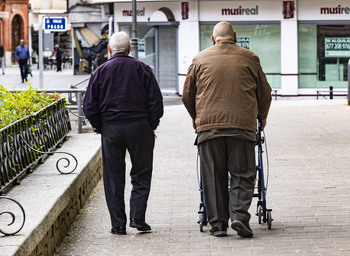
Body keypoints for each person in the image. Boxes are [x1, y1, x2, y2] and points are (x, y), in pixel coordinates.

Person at [182, 21, 272, 238]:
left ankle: (218, 225)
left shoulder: (199, 59)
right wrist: (262, 117)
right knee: (243, 173)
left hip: (209, 128)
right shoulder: (250, 58)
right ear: (235, 36)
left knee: (213, 175)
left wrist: (197, 118)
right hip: (242, 126)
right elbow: (264, 93)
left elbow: (187, 95)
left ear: (213, 39)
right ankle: (239, 216)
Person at [83, 31, 164, 235]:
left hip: (111, 129)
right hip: (140, 128)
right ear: (130, 49)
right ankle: (137, 217)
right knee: (141, 173)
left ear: (110, 50)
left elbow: (89, 105)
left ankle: (118, 224)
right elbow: (156, 102)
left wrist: (101, 126)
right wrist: (150, 124)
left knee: (113, 177)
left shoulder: (100, 71)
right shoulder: (143, 69)